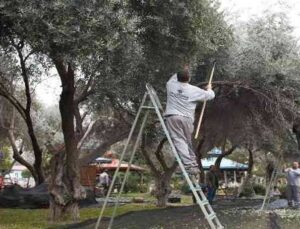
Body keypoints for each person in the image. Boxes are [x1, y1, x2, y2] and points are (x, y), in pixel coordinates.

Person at [165, 66, 215, 175]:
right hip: (187, 119)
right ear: (189, 78)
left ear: (177, 77)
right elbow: (211, 96)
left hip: (173, 117)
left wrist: (183, 68)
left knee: (179, 140)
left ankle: (190, 164)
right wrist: (210, 88)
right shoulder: (194, 90)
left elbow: (174, 76)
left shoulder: (170, 85)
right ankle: (191, 164)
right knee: (186, 141)